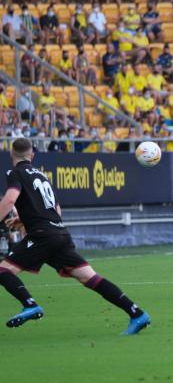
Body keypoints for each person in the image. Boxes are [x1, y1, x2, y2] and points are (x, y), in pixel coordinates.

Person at [0, 139, 150, 334]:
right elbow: (56, 210)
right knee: (90, 277)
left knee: (3, 271)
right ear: (32, 155)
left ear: (12, 154)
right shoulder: (43, 176)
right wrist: (25, 218)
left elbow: (10, 198)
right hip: (60, 233)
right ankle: (136, 313)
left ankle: (30, 304)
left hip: (42, 236)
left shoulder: (14, 173)